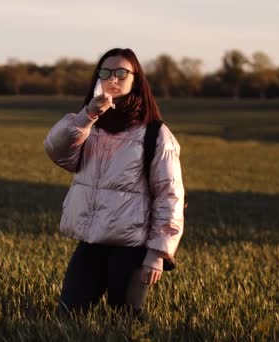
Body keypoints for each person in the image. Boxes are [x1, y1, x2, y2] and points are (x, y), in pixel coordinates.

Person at [44, 48, 185, 317]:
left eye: (122, 72)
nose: (114, 78)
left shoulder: (155, 134)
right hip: (91, 243)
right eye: (106, 72)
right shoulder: (89, 124)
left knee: (126, 321)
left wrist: (158, 253)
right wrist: (88, 115)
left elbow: (170, 195)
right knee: (67, 317)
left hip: (132, 248)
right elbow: (56, 151)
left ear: (136, 80)